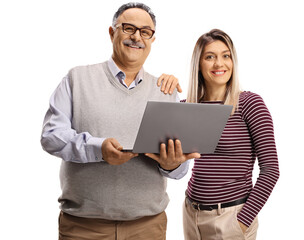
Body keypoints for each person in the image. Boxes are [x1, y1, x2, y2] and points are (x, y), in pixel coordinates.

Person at [40, 2, 199, 240]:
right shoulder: (77, 78)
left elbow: (179, 171)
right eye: (128, 28)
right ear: (112, 32)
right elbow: (51, 137)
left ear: (152, 40)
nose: (137, 37)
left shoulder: (165, 90)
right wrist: (98, 149)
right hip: (83, 228)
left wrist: (172, 164)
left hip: (147, 227)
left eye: (145, 32)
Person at [182, 29, 280, 240]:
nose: (219, 64)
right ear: (198, 64)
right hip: (191, 213)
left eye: (226, 56)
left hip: (229, 218)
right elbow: (159, 148)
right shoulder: (188, 107)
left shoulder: (249, 104)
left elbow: (271, 170)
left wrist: (242, 222)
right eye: (210, 57)